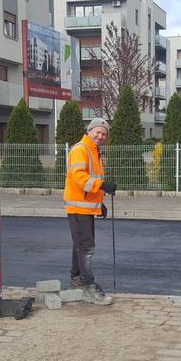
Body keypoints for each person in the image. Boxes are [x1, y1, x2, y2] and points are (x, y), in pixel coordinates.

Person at [63, 117, 116, 305]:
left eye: (104, 134)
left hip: (84, 206)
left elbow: (89, 180)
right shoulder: (81, 149)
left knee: (80, 244)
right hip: (78, 206)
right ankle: (87, 285)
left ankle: (76, 279)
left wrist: (98, 203)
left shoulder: (94, 151)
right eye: (98, 132)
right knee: (86, 246)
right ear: (89, 131)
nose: (100, 136)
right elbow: (79, 177)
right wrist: (102, 185)